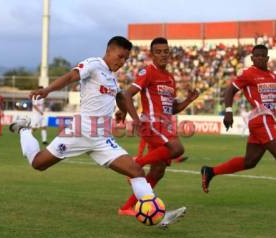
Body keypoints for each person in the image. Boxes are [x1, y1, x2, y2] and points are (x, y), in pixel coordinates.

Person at [9, 36, 174, 227]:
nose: (121, 63)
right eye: (120, 57)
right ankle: (24, 129)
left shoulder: (111, 78)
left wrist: (127, 114)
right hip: (80, 131)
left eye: (125, 60)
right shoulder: (93, 64)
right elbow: (72, 76)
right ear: (109, 51)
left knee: (136, 171)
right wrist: (48, 90)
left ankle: (157, 216)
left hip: (102, 139)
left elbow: (120, 97)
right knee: (38, 163)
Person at [117, 37, 199, 216]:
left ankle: (126, 208)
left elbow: (172, 108)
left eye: (166, 52)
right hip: (152, 123)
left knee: (158, 171)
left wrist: (188, 100)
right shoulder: (148, 71)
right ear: (152, 54)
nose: (163, 55)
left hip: (165, 124)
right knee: (177, 148)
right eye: (158, 52)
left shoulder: (169, 78)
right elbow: (126, 94)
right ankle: (135, 164)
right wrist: (136, 119)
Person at [201, 44, 276, 193]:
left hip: (267, 121)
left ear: (267, 58)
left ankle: (211, 171)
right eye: (257, 56)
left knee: (250, 162)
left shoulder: (273, 76)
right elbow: (230, 90)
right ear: (252, 58)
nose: (260, 58)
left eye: (263, 56)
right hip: (262, 119)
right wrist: (228, 111)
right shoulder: (248, 74)